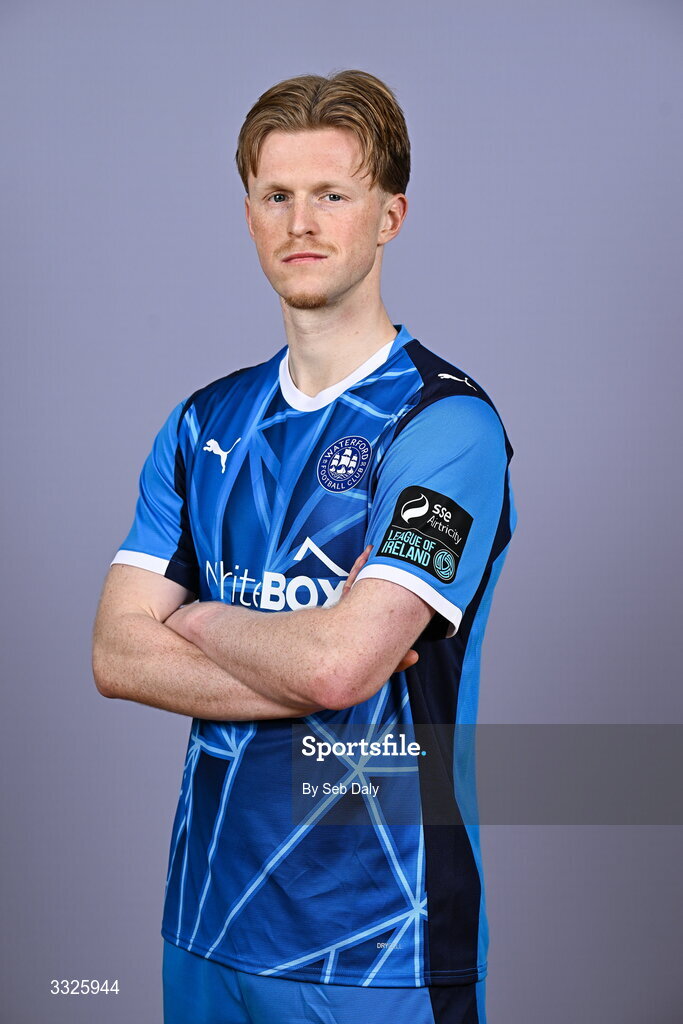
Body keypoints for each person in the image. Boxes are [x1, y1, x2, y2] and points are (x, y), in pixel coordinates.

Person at [92, 69, 516, 1024]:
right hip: (202, 923)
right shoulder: (202, 422)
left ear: (389, 216)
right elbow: (116, 654)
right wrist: (319, 654)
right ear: (248, 215)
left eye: (332, 194)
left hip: (376, 943)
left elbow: (339, 668)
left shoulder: (445, 427)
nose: (301, 224)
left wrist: (196, 619)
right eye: (275, 196)